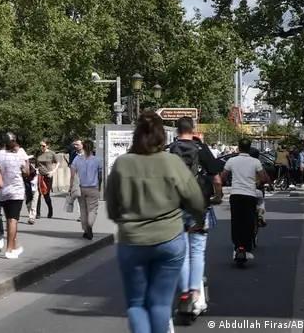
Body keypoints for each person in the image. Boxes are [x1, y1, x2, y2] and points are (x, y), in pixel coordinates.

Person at [106, 111, 207, 333]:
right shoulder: (171, 162)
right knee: (160, 304)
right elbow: (196, 199)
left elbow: (112, 206)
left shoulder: (122, 164)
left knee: (136, 304)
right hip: (169, 238)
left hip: (132, 240)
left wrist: (122, 221)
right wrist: (197, 221)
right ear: (162, 136)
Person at [167, 117, 223, 317]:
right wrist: (218, 195)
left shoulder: (169, 150)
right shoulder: (202, 149)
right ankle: (194, 291)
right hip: (199, 207)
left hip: (175, 208)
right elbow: (216, 177)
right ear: (194, 129)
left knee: (181, 252)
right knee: (197, 250)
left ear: (176, 130)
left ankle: (183, 294)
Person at [221, 138, 269, 262]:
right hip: (250, 195)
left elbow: (223, 176)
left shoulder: (231, 160)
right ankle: (246, 248)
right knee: (248, 222)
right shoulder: (255, 162)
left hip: (236, 194)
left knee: (236, 222)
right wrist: (256, 182)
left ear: (238, 147)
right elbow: (263, 178)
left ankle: (237, 246)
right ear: (250, 148)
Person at [0, 132, 30, 258]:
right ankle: (9, 249)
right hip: (16, 190)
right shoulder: (17, 156)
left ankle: (13, 246)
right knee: (12, 219)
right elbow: (26, 171)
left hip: (1, 190)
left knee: (3, 217)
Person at [71, 139, 103, 240]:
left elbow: (72, 175)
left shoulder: (77, 159)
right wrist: (99, 185)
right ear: (92, 148)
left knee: (83, 210)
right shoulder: (97, 160)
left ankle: (86, 230)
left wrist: (71, 187)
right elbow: (100, 175)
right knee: (92, 210)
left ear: (83, 147)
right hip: (93, 188)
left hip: (81, 188)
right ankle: (89, 226)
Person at [35, 139, 58, 219]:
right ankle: (38, 213)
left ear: (47, 146)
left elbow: (57, 162)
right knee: (37, 194)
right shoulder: (38, 153)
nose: (41, 147)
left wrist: (53, 171)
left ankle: (50, 209)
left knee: (46, 195)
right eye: (40, 145)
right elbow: (36, 164)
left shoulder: (51, 153)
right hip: (39, 176)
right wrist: (36, 170)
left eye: (43, 146)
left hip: (48, 176)